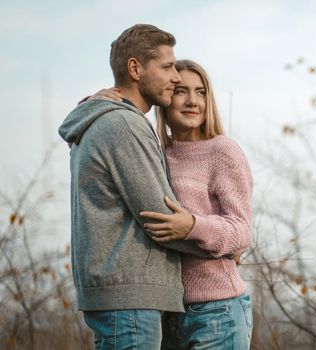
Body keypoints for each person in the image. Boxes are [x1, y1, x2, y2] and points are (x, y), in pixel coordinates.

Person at [58, 24, 215, 349]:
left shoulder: (106, 120)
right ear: (135, 68)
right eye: (167, 67)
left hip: (123, 295)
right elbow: (160, 214)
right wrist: (219, 246)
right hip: (129, 297)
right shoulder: (124, 125)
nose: (175, 77)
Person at [93, 60, 254, 349]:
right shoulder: (155, 151)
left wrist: (193, 226)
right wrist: (96, 103)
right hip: (166, 311)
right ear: (165, 98)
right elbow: (100, 149)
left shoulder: (222, 151)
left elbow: (242, 231)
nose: (193, 101)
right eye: (181, 91)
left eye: (201, 92)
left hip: (218, 310)